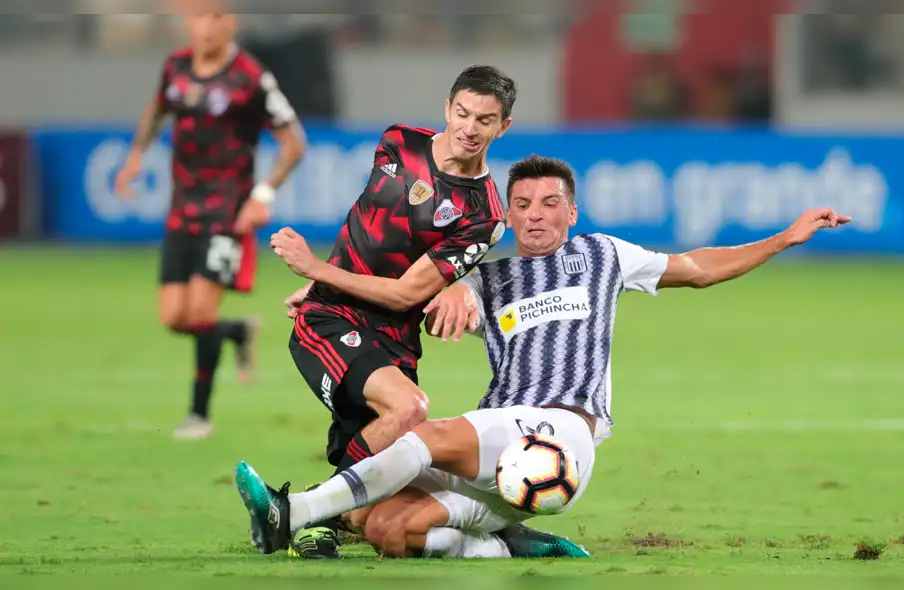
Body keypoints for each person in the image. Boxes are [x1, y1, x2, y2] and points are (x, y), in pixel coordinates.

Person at [234, 154, 851, 559]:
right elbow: (404, 294)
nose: (535, 216)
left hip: (561, 436)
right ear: (508, 215)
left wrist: (785, 239)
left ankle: (293, 512)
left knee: (425, 433)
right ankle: (504, 545)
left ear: (571, 212)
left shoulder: (604, 255)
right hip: (500, 461)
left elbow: (695, 268)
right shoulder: (485, 279)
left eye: (549, 203)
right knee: (385, 529)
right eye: (522, 205)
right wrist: (329, 285)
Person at [255, 65, 514, 549]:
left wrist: (315, 270)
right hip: (332, 316)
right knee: (409, 408)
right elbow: (367, 224)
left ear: (503, 127)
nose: (470, 128)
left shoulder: (484, 215)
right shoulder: (398, 142)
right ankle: (295, 515)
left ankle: (508, 535)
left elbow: (406, 295)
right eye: (462, 113)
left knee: (379, 503)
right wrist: (323, 285)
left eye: (485, 119)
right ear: (447, 108)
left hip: (394, 338)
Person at [114, 12, 306, 440]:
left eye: (215, 16)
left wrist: (263, 196)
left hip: (228, 213)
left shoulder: (251, 77)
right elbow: (157, 108)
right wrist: (134, 156)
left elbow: (294, 141)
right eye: (198, 16)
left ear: (231, 23)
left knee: (200, 312)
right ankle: (238, 331)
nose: (205, 27)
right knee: (174, 317)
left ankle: (198, 414)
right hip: (182, 211)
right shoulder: (176, 66)